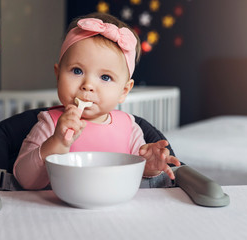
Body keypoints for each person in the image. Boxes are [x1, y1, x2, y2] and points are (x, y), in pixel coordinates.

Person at [13, 12, 180, 190]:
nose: (88, 85)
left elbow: (136, 175)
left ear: (124, 91)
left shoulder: (129, 128)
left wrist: (150, 167)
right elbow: (24, 180)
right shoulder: (50, 123)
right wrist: (57, 143)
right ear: (58, 75)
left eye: (105, 77)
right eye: (77, 71)